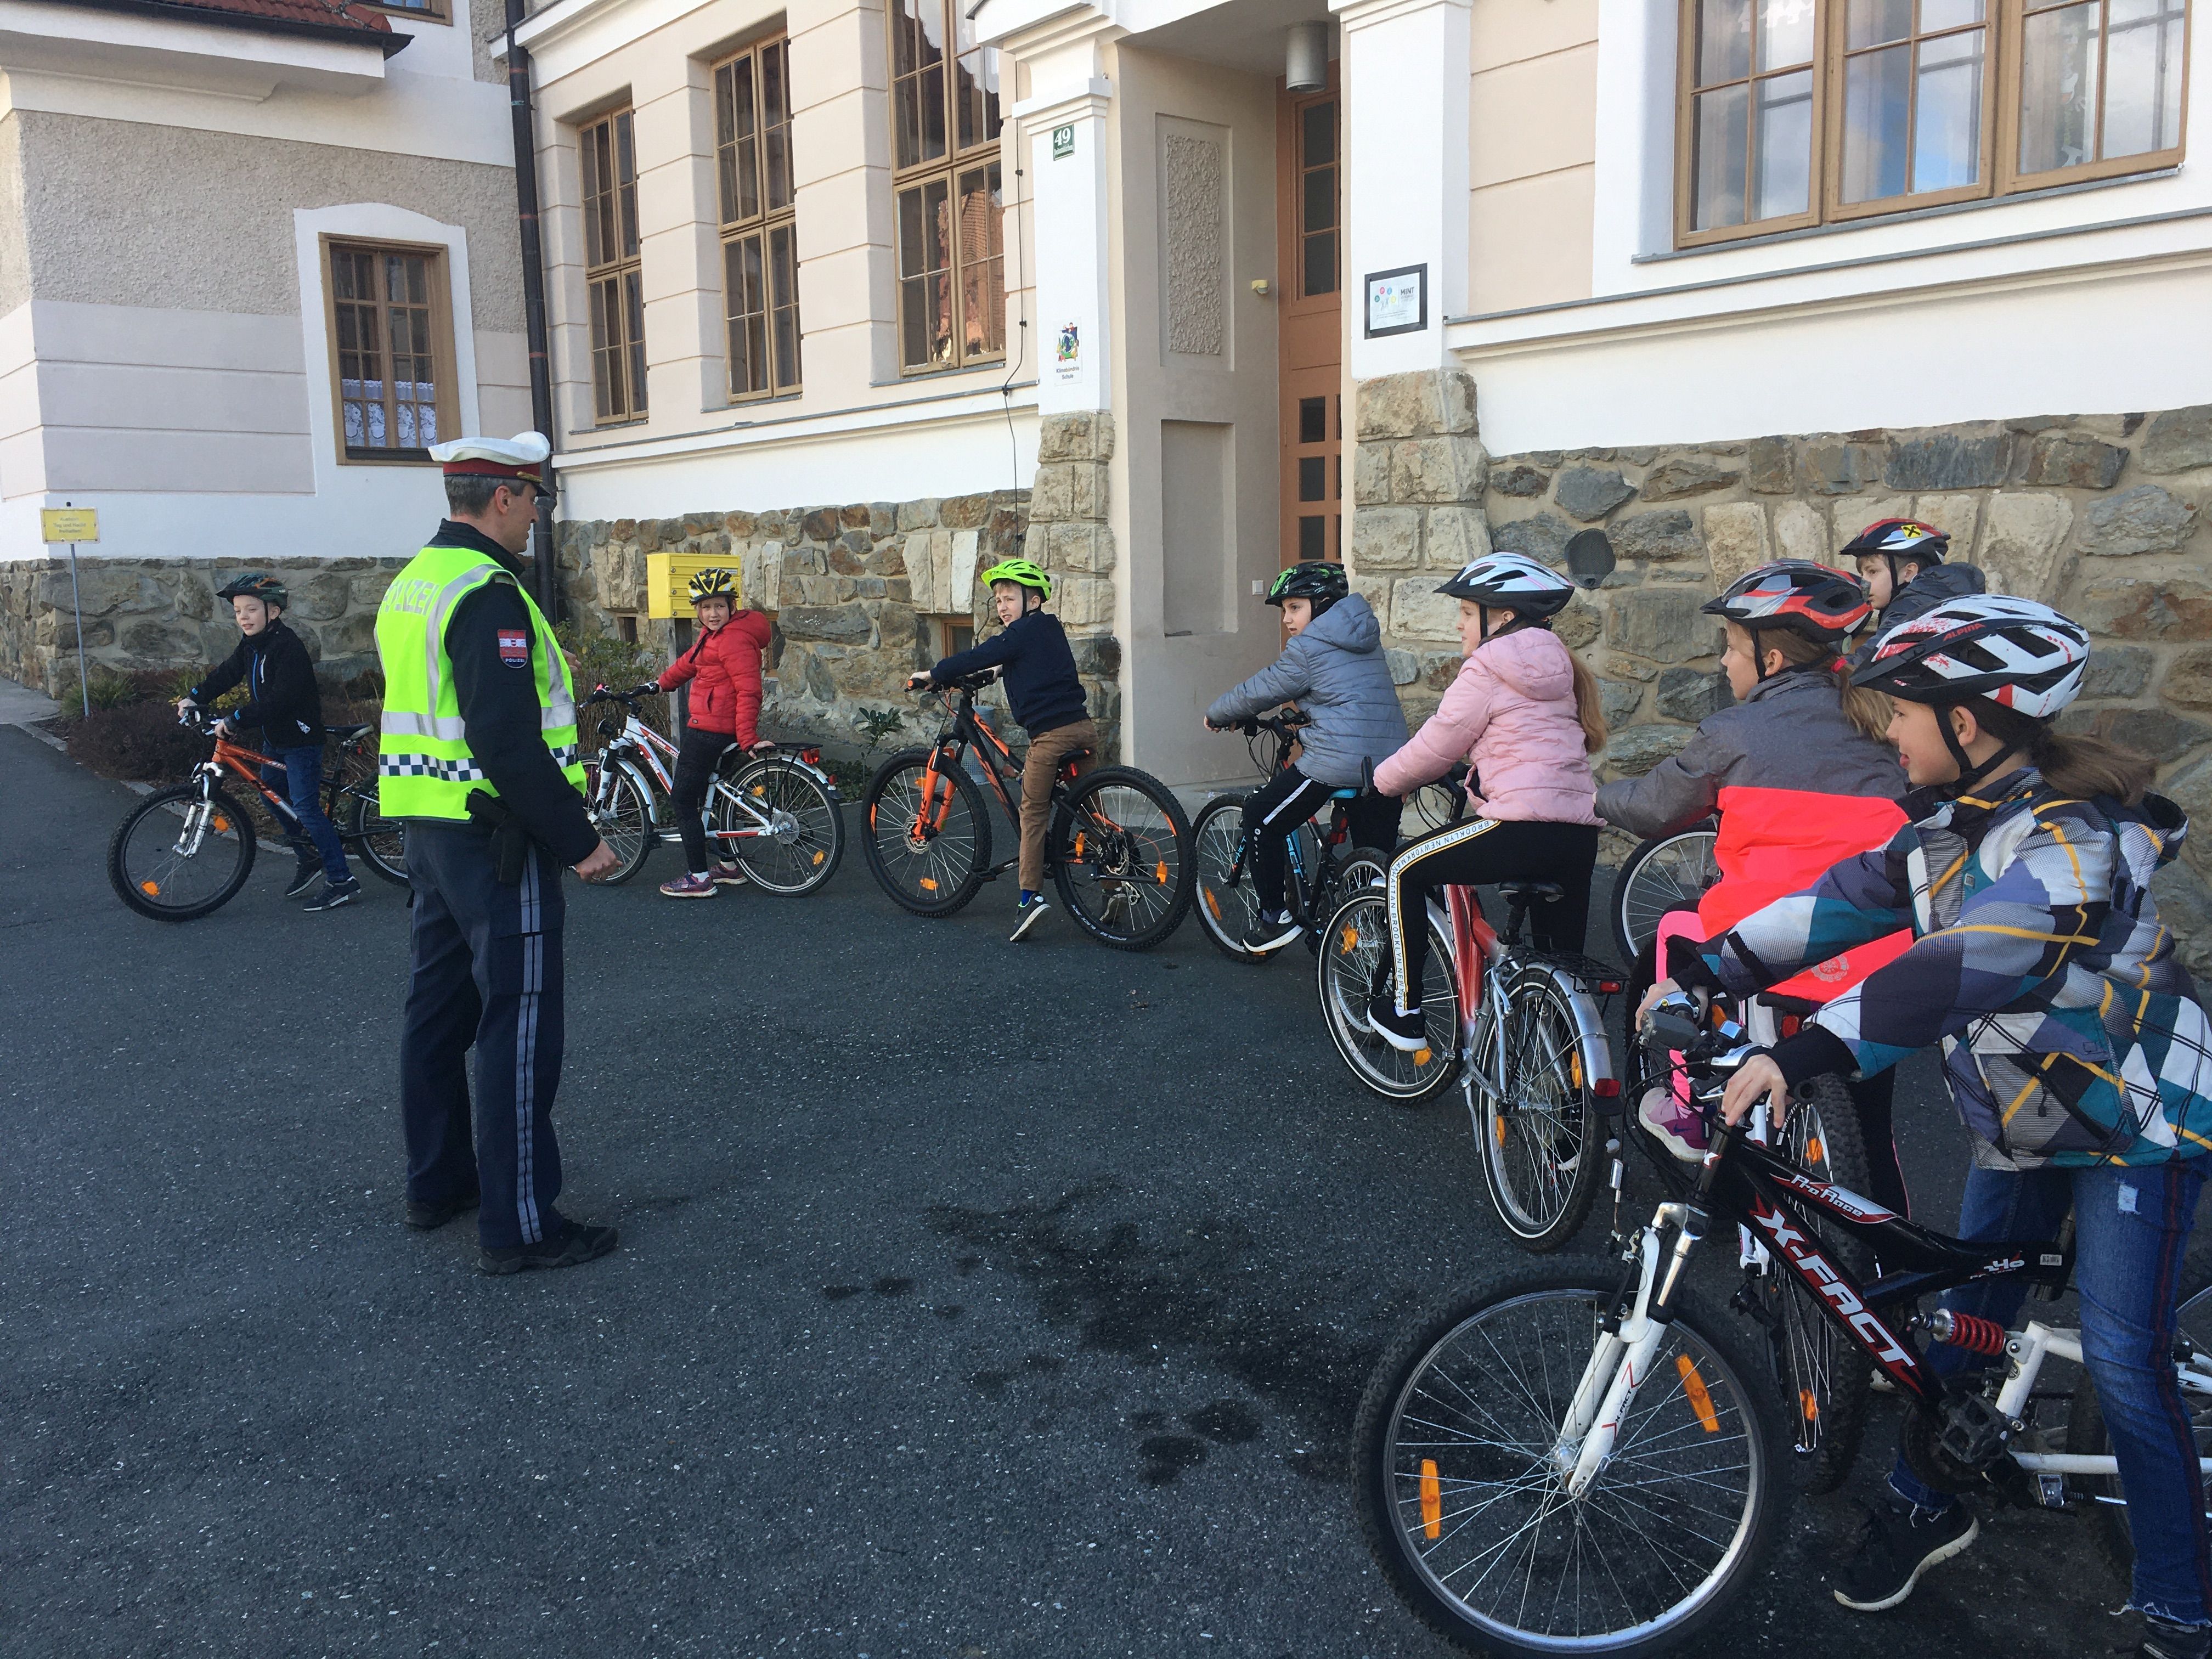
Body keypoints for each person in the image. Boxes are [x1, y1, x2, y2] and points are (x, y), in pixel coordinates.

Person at [1641, 596, 2210, 1657]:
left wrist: (1800, 1049)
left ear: (1969, 719)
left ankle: (2180, 1598)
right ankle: (1924, 1502)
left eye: (1901, 712)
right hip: (2023, 1112)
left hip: (2136, 1119)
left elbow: (1961, 965)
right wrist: (1704, 967)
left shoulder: (2073, 844)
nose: (1887, 731)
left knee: (2123, 1360)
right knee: (1967, 1323)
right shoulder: (1942, 828)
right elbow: (1832, 905)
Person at [374, 431, 622, 1275]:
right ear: (504, 497)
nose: (538, 516)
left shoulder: (417, 581)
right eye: (535, 500)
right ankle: (519, 1226)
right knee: (518, 1027)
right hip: (497, 840)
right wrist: (580, 841)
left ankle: (438, 1183)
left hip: (429, 829)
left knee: (436, 1013)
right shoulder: (487, 591)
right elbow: (507, 739)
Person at [1596, 561, 1913, 1213]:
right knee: (1872, 1135)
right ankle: (1887, 1265)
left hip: (1766, 950)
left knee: (1676, 930)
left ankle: (1688, 1107)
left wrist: (1591, 798)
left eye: (1732, 648)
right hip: (1877, 960)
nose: (1723, 662)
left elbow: (1653, 808)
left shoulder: (1733, 733)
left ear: (1770, 660)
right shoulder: (1887, 723)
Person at [1365, 553, 1608, 1051]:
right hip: (1579, 835)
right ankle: (1569, 1077)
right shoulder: (1559, 665)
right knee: (1560, 970)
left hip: (1518, 829)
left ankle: (1405, 1012)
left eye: (1466, 611)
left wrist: (1383, 782)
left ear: (1501, 618)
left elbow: (1439, 743)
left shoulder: (1489, 666)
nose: (1459, 623)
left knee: (1404, 867)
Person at [1202, 560, 1408, 953]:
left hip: (1338, 761)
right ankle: (1375, 936)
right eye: (1285, 610)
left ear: (1323, 604)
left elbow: (1263, 689)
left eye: (1295, 607)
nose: (1287, 619)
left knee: (1260, 817)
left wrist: (1218, 713)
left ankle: (1274, 920)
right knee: (1376, 859)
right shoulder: (1364, 638)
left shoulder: (1309, 648)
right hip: (1390, 763)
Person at [906, 556, 1092, 943]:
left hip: (1051, 736)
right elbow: (1014, 661)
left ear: (1034, 601)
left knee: (1033, 811)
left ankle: (1029, 898)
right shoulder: (1047, 630)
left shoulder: (1021, 632)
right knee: (1092, 811)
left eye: (1010, 599)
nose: (1003, 607)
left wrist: (933, 674)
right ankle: (1117, 886)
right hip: (1083, 729)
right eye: (998, 601)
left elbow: (982, 654)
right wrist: (994, 671)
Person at [176, 573, 360, 911]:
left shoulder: (287, 647)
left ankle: (341, 880)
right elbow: (228, 673)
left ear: (273, 612)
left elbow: (281, 699)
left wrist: (237, 718)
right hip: (275, 738)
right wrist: (194, 697)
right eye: (237, 611)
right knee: (270, 794)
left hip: (300, 739)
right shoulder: (252, 644)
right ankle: (308, 857)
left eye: (251, 610)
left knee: (305, 808)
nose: (243, 617)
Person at [641, 567, 775, 899]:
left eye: (719, 606)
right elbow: (690, 663)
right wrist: (658, 685)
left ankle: (698, 877)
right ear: (698, 611)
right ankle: (729, 866)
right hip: (714, 727)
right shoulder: (713, 636)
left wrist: (748, 737)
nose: (713, 613)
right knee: (715, 795)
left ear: (732, 606)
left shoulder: (733, 639)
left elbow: (749, 691)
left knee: (684, 799)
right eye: (705, 607)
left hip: (711, 731)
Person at [1842, 517, 1987, 659]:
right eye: (1862, 574)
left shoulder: (1914, 604)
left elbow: (1871, 659)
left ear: (1909, 572)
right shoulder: (1932, 596)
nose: (1864, 583)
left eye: (1873, 572)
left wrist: (1834, 669)